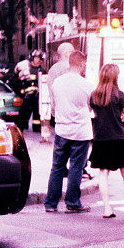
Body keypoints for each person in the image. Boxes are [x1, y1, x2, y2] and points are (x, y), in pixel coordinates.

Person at [43, 51, 94, 213]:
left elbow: (54, 104)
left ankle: (51, 203)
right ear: (81, 64)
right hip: (80, 131)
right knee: (76, 168)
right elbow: (91, 106)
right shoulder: (87, 85)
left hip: (61, 130)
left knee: (57, 167)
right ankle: (72, 202)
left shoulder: (57, 83)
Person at [89, 64, 124, 218]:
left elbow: (91, 114)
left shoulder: (94, 95)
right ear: (115, 76)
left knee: (103, 174)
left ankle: (107, 209)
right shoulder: (119, 95)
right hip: (118, 138)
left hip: (100, 139)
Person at [18, 50, 46, 132]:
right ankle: (22, 127)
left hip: (37, 96)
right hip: (27, 95)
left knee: (37, 113)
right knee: (25, 112)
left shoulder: (42, 71)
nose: (37, 60)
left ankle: (36, 128)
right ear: (32, 58)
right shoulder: (28, 69)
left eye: (38, 58)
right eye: (35, 58)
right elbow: (21, 81)